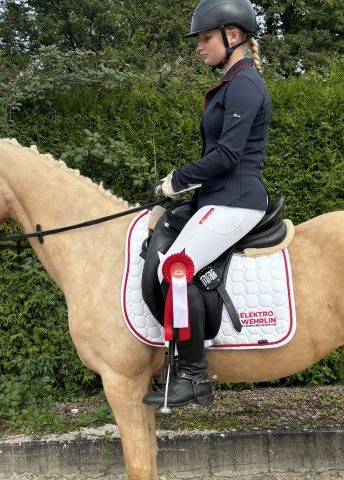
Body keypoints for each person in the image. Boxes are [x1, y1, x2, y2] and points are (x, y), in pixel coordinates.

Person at [142, 0, 271, 408]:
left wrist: (176, 180)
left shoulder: (245, 85)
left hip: (237, 199)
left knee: (175, 269)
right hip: (217, 197)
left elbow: (228, 156)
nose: (199, 47)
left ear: (233, 37)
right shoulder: (230, 83)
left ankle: (195, 377)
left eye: (205, 38)